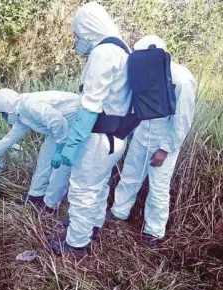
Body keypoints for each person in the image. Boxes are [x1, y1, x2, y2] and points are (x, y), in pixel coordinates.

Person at [50, 2, 132, 257]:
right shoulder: (123, 49)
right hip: (116, 138)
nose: (77, 40)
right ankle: (90, 225)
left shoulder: (104, 52)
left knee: (82, 188)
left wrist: (72, 143)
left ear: (88, 28)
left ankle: (76, 243)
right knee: (97, 185)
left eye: (77, 34)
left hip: (98, 138)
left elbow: (90, 106)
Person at [110, 35, 197, 246]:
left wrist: (165, 149)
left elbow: (182, 120)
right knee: (130, 175)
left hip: (165, 139)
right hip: (142, 132)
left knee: (158, 186)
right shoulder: (143, 73)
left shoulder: (181, 79)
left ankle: (153, 233)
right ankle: (118, 213)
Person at [0, 89, 81, 211]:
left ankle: (50, 204)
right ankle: (36, 195)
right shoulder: (21, 114)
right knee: (45, 158)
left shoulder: (30, 105)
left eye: (3, 113)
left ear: (8, 107)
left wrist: (59, 149)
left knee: (60, 168)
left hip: (75, 123)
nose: (3, 117)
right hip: (61, 130)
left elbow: (58, 122)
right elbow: (11, 137)